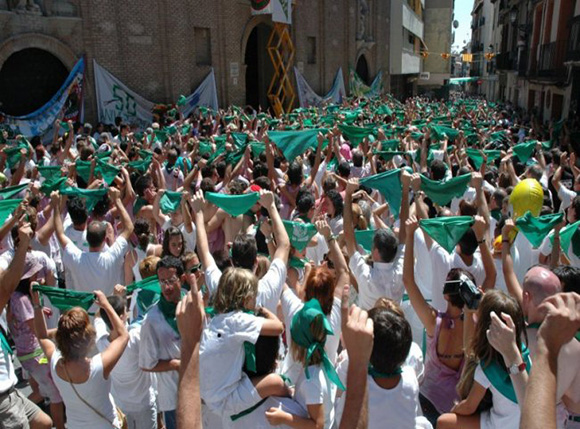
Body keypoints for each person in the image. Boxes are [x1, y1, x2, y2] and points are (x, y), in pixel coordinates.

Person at [199, 268, 288, 423]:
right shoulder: (237, 321)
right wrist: (260, 309)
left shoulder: (216, 319)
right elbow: (278, 327)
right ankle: (292, 405)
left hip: (209, 396)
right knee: (276, 382)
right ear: (246, 299)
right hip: (224, 401)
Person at [33, 288, 129, 429]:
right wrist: (105, 304)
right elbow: (123, 336)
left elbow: (41, 335)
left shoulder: (55, 362)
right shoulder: (98, 367)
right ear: (88, 337)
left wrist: (37, 303)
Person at [437, 290, 528, 429]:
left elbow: (469, 407)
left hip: (498, 424)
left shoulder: (486, 369)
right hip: (521, 422)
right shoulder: (526, 353)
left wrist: (455, 409)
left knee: (443, 421)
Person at [0, 221, 53, 429]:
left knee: (44, 422)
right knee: (50, 389)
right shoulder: (18, 299)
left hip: (12, 386)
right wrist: (22, 246)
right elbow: (4, 289)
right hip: (3, 395)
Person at [139, 256, 194, 429]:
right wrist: (176, 364)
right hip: (173, 399)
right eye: (162, 282)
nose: (167, 287)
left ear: (182, 278)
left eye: (171, 280)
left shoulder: (193, 303)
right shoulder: (152, 320)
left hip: (199, 391)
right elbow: (147, 364)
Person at [53, 187, 134, 294]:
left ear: (87, 237)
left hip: (83, 310)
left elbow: (59, 233)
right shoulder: (112, 255)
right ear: (105, 239)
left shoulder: (77, 258)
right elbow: (129, 228)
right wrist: (117, 200)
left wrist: (55, 205)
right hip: (108, 309)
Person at [95, 295, 158, 429]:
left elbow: (98, 317)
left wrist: (109, 301)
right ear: (122, 317)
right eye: (125, 311)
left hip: (121, 407)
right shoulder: (136, 337)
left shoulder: (100, 342)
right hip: (144, 405)